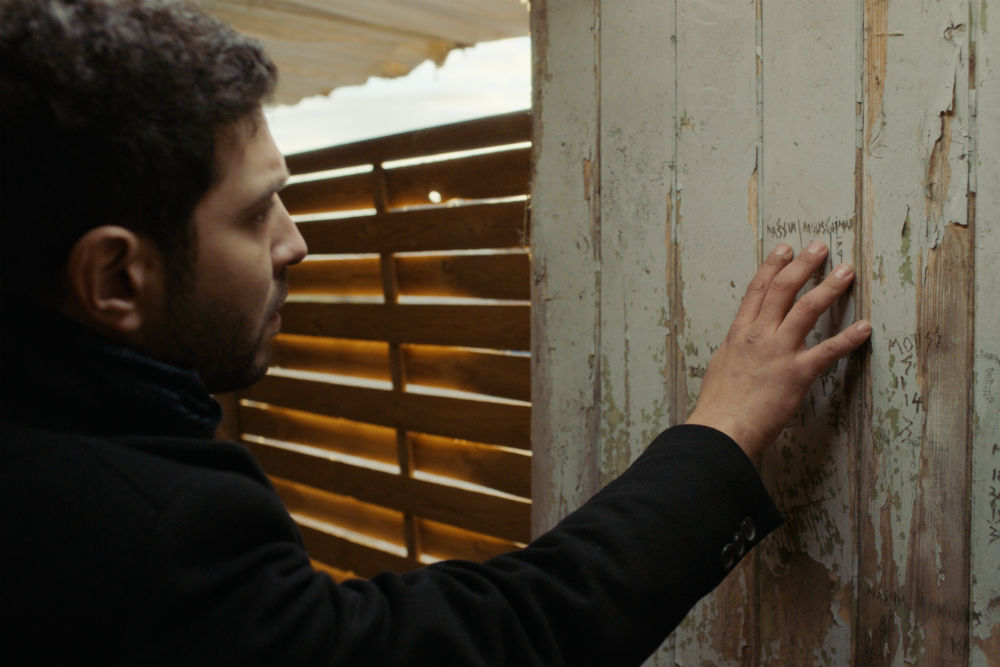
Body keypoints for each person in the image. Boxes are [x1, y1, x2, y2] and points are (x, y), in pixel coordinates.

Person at [0, 1, 872, 664]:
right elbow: (484, 640)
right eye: (257, 208)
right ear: (115, 277)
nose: (295, 240)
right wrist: (719, 434)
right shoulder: (136, 531)